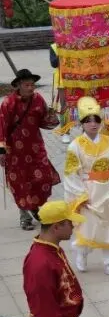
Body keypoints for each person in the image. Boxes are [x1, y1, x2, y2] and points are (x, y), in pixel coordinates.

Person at [62, 97, 109, 275]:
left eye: (96, 120)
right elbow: (71, 174)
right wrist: (81, 195)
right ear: (82, 124)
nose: (93, 124)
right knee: (88, 225)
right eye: (88, 121)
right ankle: (82, 252)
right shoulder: (75, 146)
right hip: (89, 190)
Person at [1, 68, 61, 230]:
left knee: (43, 179)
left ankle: (37, 208)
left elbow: (44, 123)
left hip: (35, 147)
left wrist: (51, 116)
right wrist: (2, 150)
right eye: (27, 85)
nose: (31, 88)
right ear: (19, 85)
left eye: (32, 85)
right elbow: (2, 127)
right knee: (21, 184)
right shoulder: (8, 103)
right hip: (15, 151)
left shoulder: (38, 99)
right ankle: (25, 216)